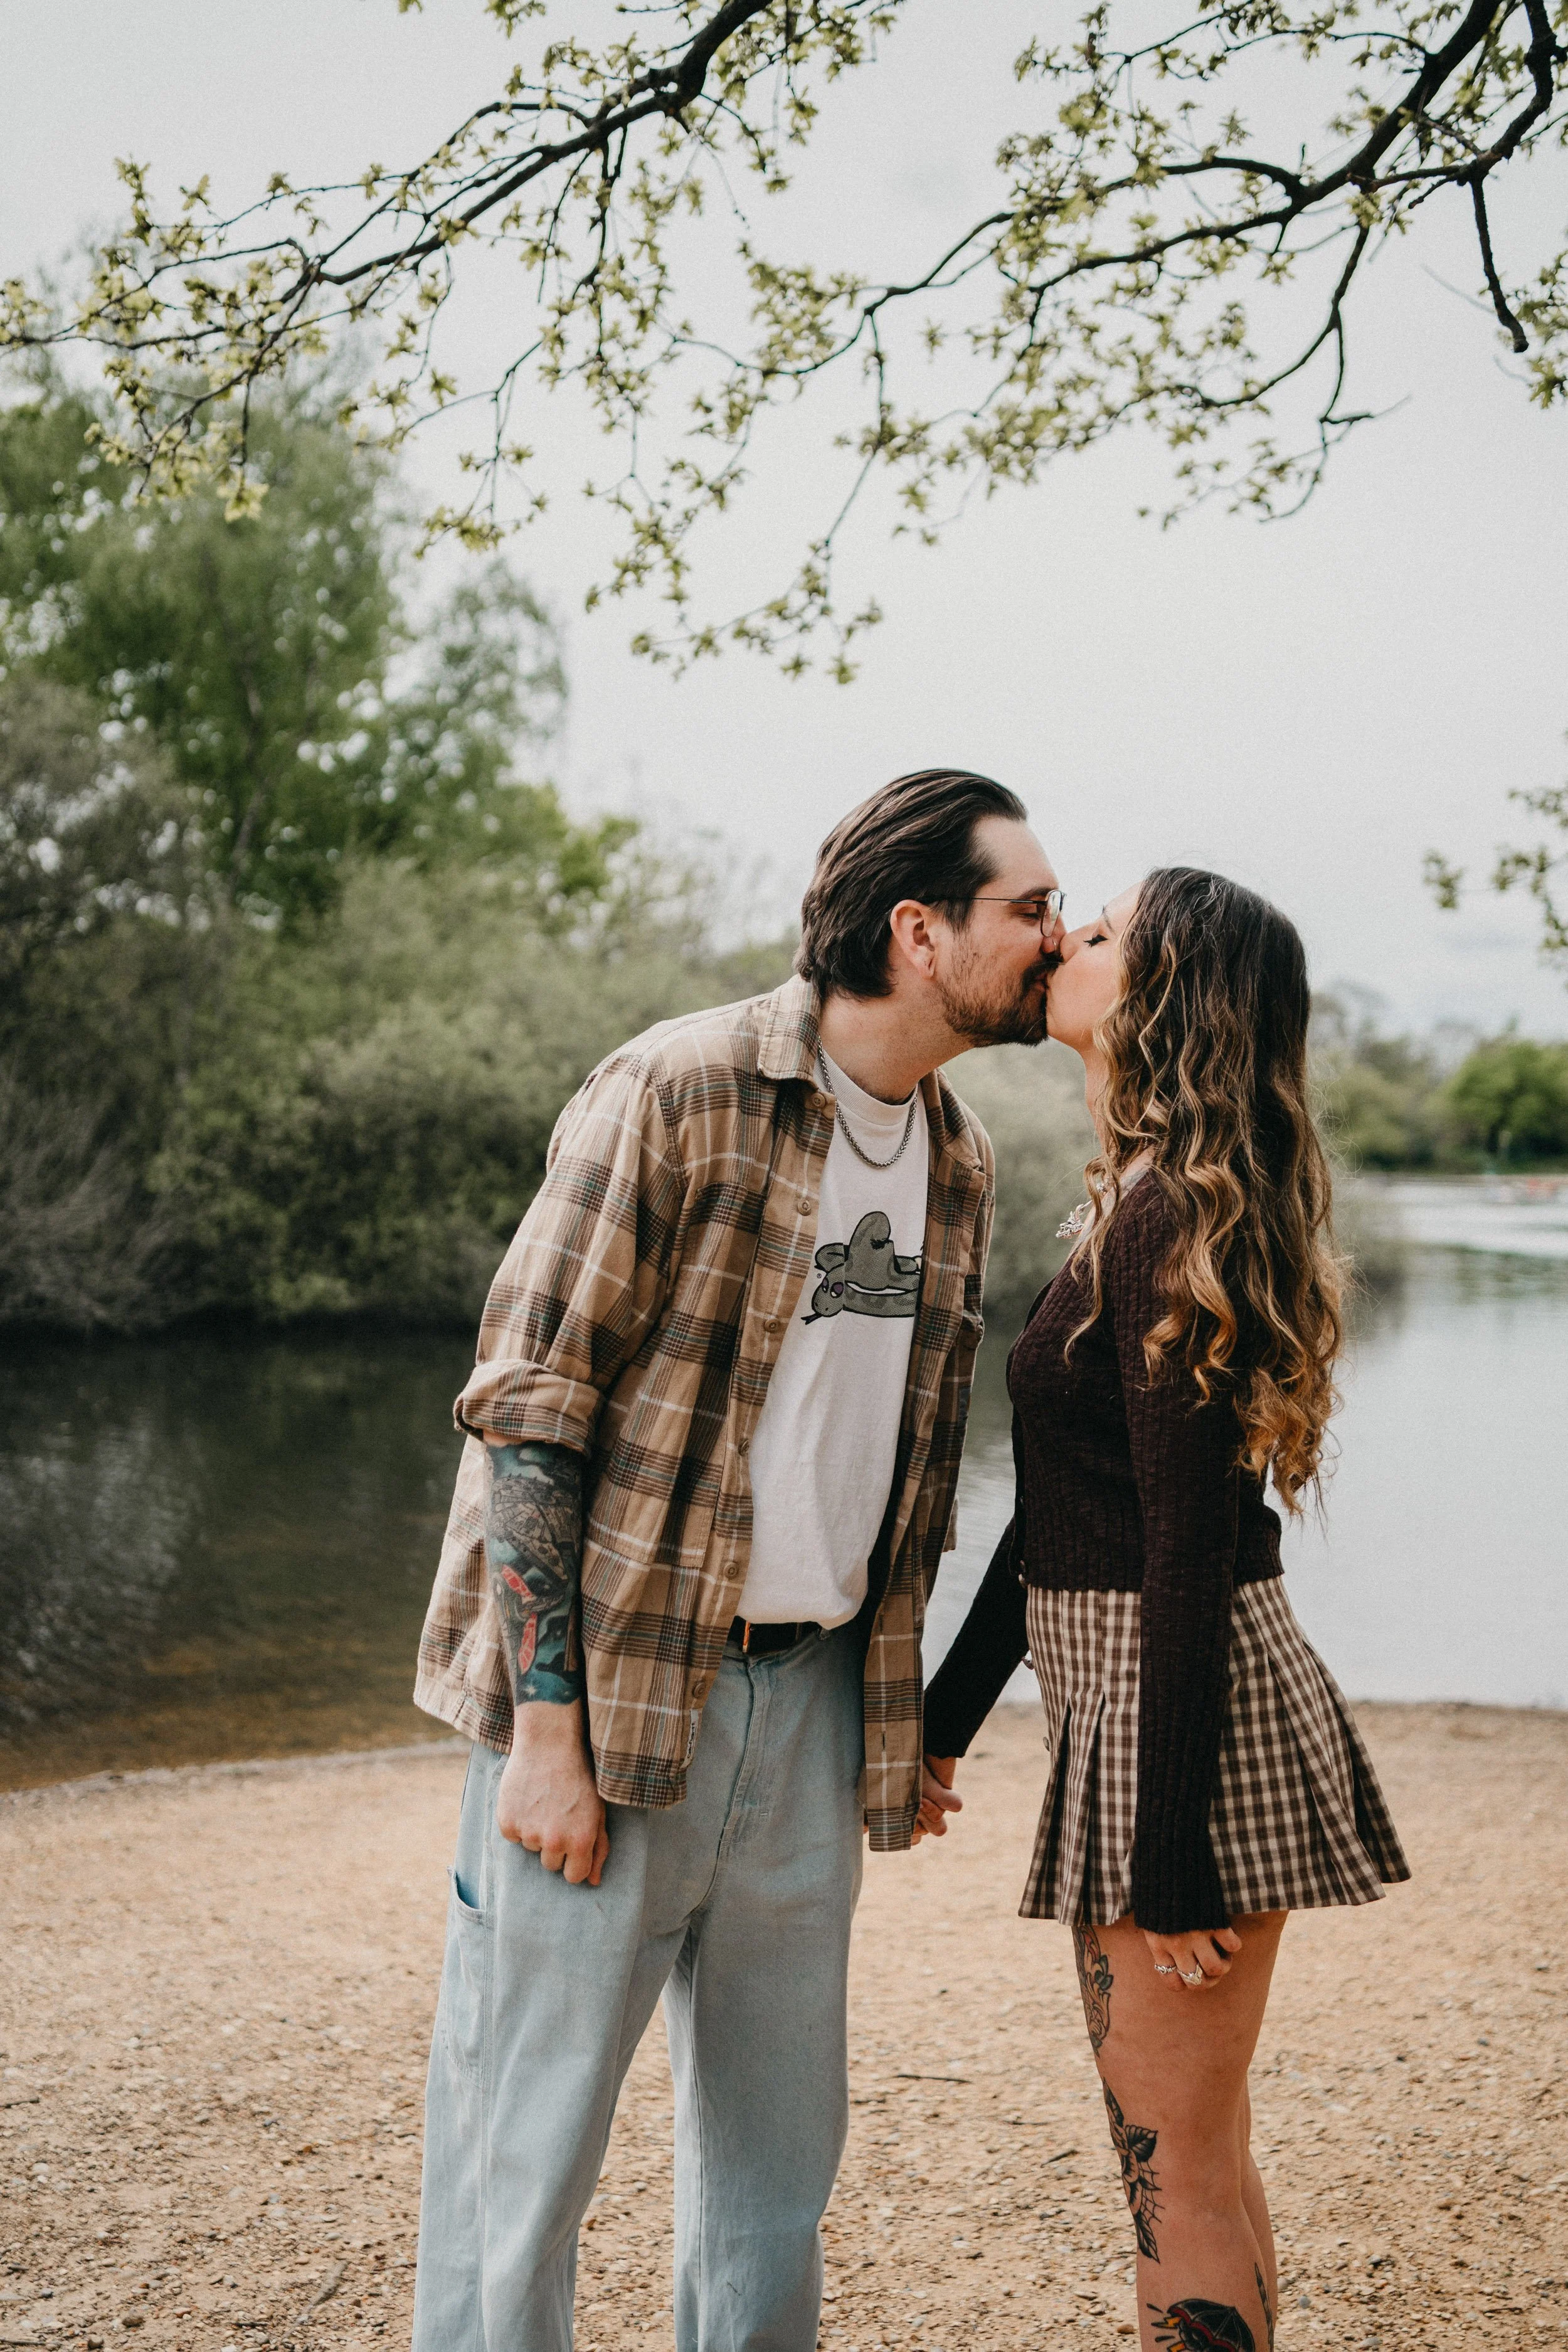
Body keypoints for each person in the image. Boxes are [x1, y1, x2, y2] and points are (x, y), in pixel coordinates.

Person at [410, 769, 1066, 2352]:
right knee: (525, 2163)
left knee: (774, 2189)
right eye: (1030, 910)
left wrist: (894, 1727)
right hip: (622, 1709)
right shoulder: (679, 1087)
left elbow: (893, 1480)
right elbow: (528, 1411)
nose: (1058, 937)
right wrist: (546, 1732)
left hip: (818, 1705)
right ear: (918, 930)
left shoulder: (959, 1162)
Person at [919, 868, 1409, 2352]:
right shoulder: (1142, 1205)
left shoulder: (1162, 1220)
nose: (1067, 936)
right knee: (1196, 2159)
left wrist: (1167, 1851)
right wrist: (941, 1724)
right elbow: (1069, 1520)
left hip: (1170, 1722)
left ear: (1166, 997)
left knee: (1173, 2174)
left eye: (1109, 930)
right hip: (1141, 1707)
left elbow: (1185, 1545)